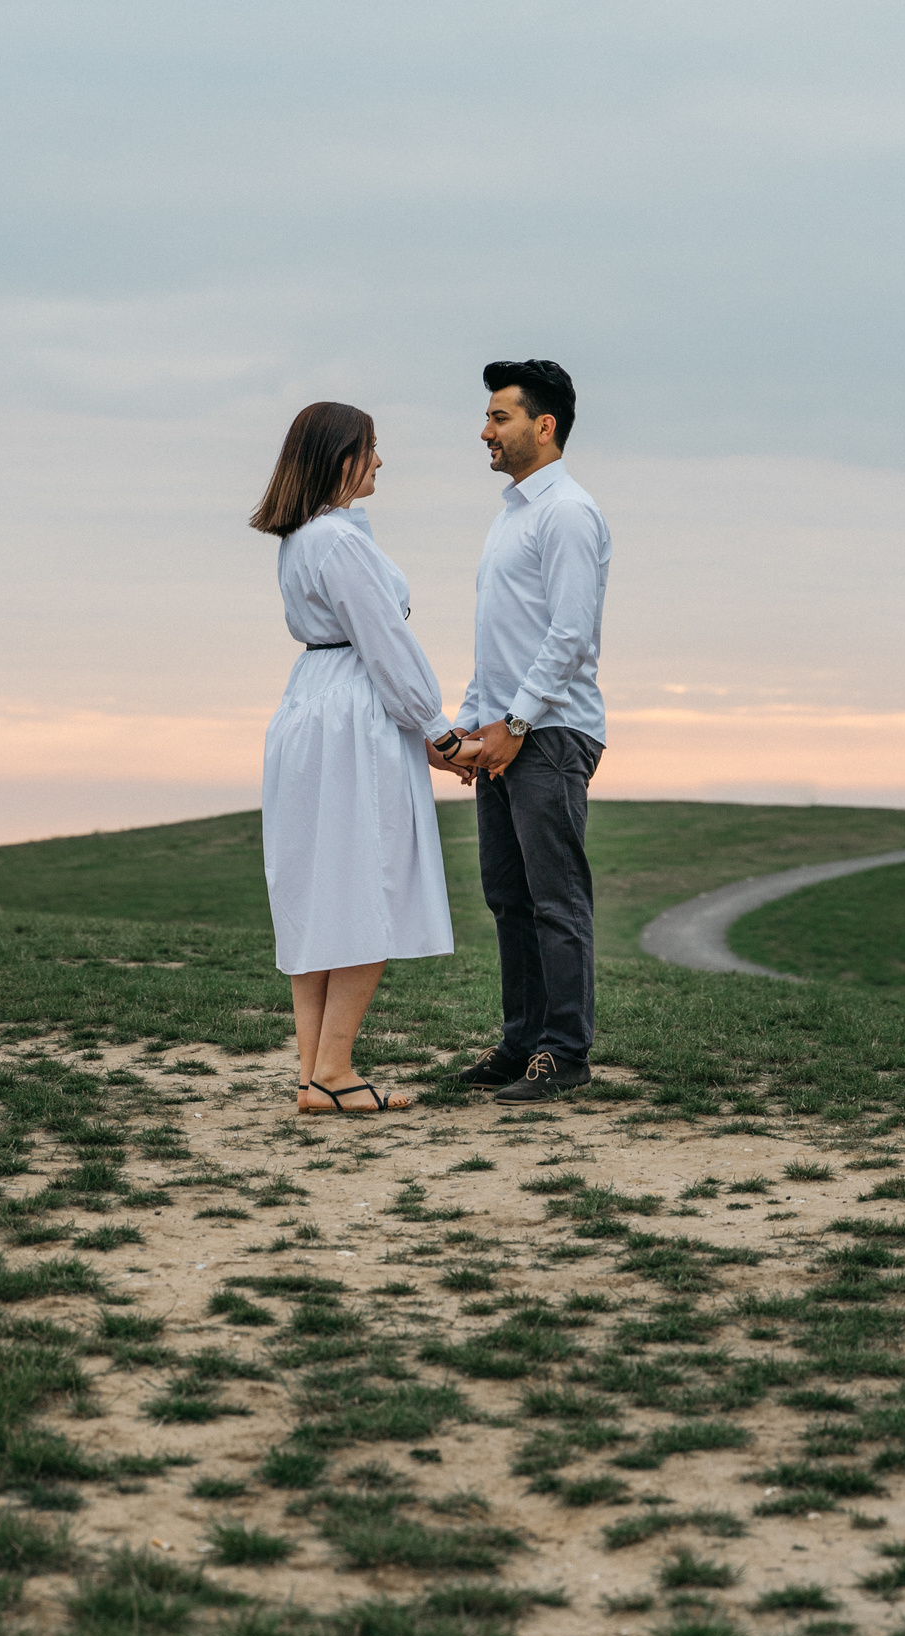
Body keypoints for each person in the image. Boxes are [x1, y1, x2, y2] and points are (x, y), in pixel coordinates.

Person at [254, 401, 479, 1114]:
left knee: (320, 886)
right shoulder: (341, 543)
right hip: (353, 707)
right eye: (370, 449)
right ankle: (335, 1069)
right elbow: (386, 643)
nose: (379, 462)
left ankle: (315, 1071)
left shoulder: (302, 540)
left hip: (310, 703)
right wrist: (437, 729)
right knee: (370, 879)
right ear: (340, 457)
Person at [445, 359, 612, 1103]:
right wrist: (464, 727)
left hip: (549, 732)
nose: (486, 430)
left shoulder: (567, 513)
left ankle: (565, 1052)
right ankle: (522, 1043)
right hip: (505, 733)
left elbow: (571, 633)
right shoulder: (511, 515)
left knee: (555, 897)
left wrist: (515, 721)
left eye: (499, 417)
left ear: (543, 426)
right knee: (508, 896)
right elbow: (500, 640)